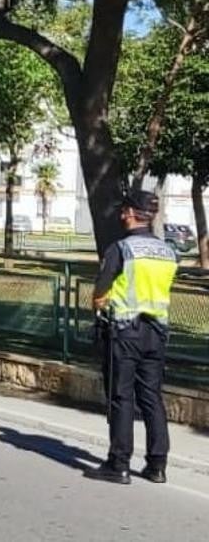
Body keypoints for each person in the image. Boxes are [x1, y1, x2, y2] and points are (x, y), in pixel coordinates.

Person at [85, 189, 179, 485]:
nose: (120, 214)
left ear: (130, 213)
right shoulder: (168, 251)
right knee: (151, 397)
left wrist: (99, 302)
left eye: (123, 209)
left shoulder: (122, 249)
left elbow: (101, 289)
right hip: (157, 332)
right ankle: (157, 465)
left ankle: (119, 463)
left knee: (121, 397)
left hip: (125, 331)